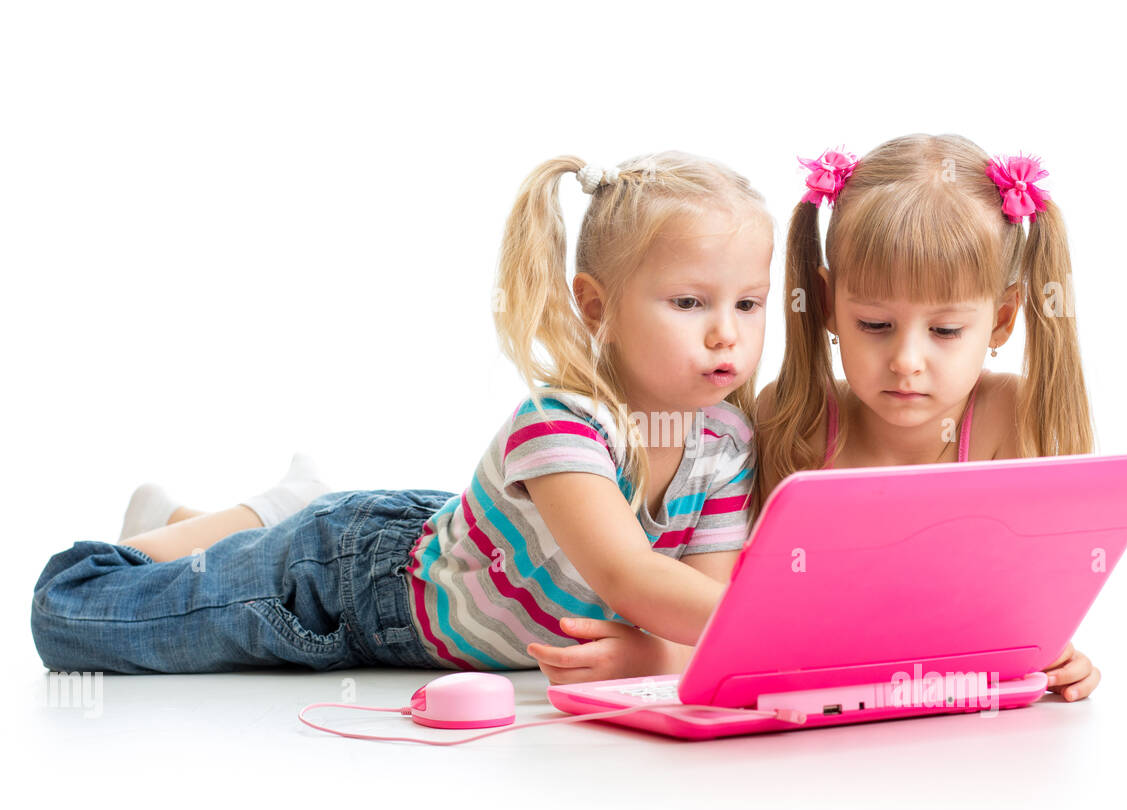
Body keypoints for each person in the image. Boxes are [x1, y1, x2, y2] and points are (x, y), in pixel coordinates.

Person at [31, 151, 773, 682]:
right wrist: (788, 636)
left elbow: (710, 597)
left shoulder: (726, 445)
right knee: (72, 617)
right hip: (349, 584)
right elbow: (631, 578)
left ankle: (257, 513)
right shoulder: (560, 425)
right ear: (595, 307)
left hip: (461, 546)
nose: (726, 334)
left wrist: (662, 656)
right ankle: (273, 520)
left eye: (747, 303)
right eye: (689, 303)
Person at [754, 134, 1101, 702]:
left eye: (944, 331)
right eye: (874, 324)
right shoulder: (795, 419)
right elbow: (765, 611)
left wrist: (1058, 657)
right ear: (827, 305)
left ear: (1002, 320)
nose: (906, 362)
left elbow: (1017, 612)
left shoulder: (1008, 416)